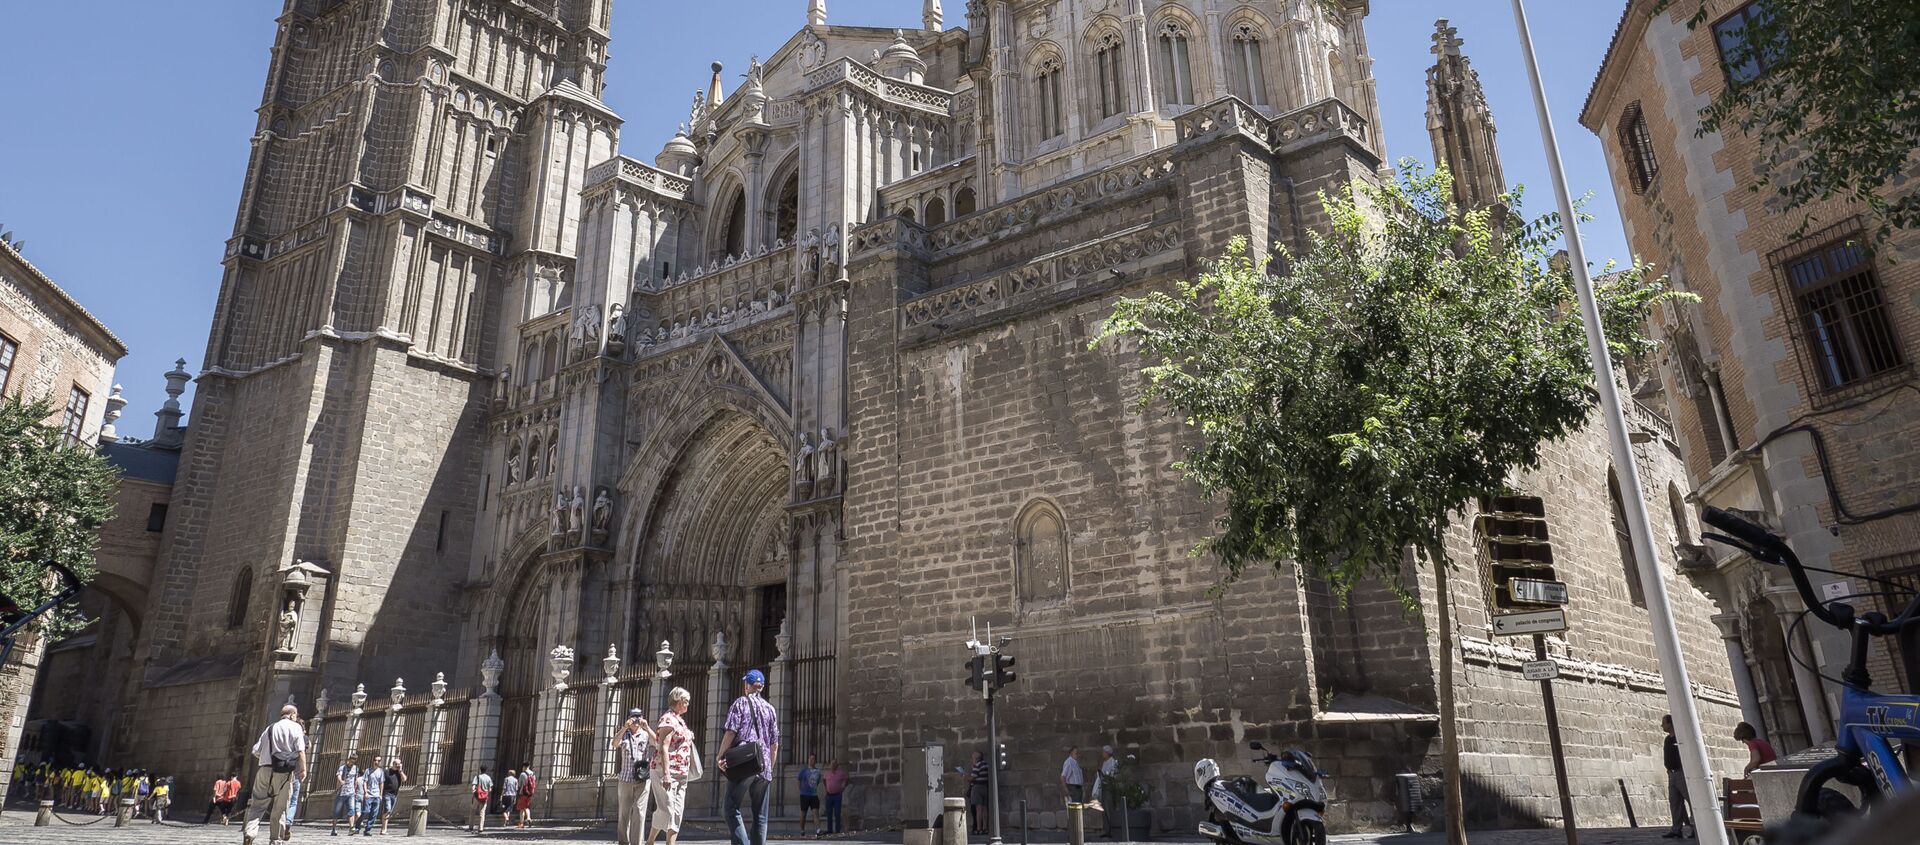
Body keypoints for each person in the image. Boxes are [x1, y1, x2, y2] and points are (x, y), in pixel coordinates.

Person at [717, 668, 780, 845]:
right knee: (761, 815)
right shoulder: (770, 709)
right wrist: (769, 769)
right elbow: (774, 744)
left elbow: (731, 732)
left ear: (747, 685)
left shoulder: (740, 703)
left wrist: (720, 756)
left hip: (744, 763)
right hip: (764, 765)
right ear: (761, 687)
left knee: (730, 808)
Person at [243, 704, 309, 845]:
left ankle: (250, 832)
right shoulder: (296, 727)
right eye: (295, 715)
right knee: (280, 808)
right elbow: (300, 751)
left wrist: (268, 756)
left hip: (264, 769)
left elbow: (256, 750)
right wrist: (303, 769)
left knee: (257, 805)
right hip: (284, 773)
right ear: (292, 715)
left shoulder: (270, 728)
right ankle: (275, 840)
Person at [646, 687, 698, 845]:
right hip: (664, 771)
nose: (688, 704)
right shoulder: (668, 719)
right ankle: (650, 841)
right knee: (667, 809)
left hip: (682, 772)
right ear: (678, 701)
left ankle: (669, 843)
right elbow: (663, 747)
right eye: (686, 701)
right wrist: (667, 774)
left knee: (677, 811)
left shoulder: (680, 720)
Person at [613, 707, 656, 845]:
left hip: (642, 779)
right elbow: (614, 744)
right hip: (625, 779)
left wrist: (647, 727)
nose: (636, 720)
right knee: (624, 813)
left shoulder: (645, 734)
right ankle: (623, 842)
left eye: (639, 717)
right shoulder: (624, 734)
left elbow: (657, 742)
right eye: (634, 717)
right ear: (629, 718)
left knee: (639, 812)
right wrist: (624, 728)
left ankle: (637, 843)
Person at [1662, 715, 1692, 839]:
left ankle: (1696, 828)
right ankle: (1676, 829)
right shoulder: (1668, 740)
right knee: (1674, 802)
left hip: (1681, 773)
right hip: (1671, 774)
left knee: (1690, 801)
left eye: (1664, 723)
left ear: (1670, 724)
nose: (1662, 725)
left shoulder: (1680, 738)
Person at [330, 758, 360, 836]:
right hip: (341, 793)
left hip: (351, 793)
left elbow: (355, 779)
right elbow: (338, 775)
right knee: (336, 812)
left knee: (351, 810)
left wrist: (355, 788)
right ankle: (333, 829)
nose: (352, 763)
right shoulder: (342, 767)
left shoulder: (356, 768)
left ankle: (351, 828)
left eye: (354, 762)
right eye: (351, 761)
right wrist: (341, 781)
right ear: (348, 760)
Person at [357, 756, 385, 837]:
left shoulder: (381, 772)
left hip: (376, 795)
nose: (377, 762)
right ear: (373, 761)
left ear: (380, 762)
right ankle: (357, 826)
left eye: (378, 760)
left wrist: (380, 794)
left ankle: (368, 830)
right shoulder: (368, 770)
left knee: (374, 814)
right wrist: (365, 792)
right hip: (369, 794)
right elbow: (365, 782)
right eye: (375, 760)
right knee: (366, 811)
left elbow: (381, 783)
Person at [798, 754, 822, 835]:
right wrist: (801, 790)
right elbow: (798, 781)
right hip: (804, 795)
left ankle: (818, 830)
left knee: (815, 812)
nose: (811, 761)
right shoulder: (803, 771)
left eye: (813, 759)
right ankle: (802, 830)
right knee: (803, 813)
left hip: (814, 795)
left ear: (815, 761)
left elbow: (817, 782)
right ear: (808, 760)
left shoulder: (818, 772)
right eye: (810, 759)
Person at [382, 757, 407, 834]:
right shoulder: (387, 772)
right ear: (393, 764)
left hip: (394, 795)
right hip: (387, 793)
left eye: (399, 764)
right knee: (387, 810)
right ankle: (384, 829)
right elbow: (382, 782)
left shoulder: (399, 773)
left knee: (389, 812)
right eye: (396, 764)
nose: (397, 765)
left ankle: (384, 827)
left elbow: (404, 779)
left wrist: (401, 771)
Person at [821, 761, 847, 834]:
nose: (832, 765)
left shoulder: (841, 773)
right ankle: (830, 830)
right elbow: (824, 780)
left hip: (837, 795)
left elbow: (846, 779)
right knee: (829, 813)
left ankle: (837, 830)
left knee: (837, 813)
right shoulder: (827, 773)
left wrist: (843, 787)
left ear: (837, 765)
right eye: (831, 764)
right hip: (829, 795)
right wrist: (826, 788)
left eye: (834, 764)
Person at [967, 751, 989, 836]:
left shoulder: (977, 765)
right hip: (985, 787)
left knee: (978, 810)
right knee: (985, 809)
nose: (972, 759)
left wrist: (964, 776)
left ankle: (979, 829)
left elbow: (972, 778)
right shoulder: (986, 765)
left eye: (973, 758)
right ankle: (985, 828)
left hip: (977, 788)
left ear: (976, 758)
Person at [469, 767, 492, 833]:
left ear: (480, 770)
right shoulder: (488, 778)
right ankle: (481, 828)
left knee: (472, 811)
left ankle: (471, 826)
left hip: (477, 797)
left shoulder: (477, 777)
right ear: (486, 770)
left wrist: (473, 791)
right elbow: (490, 789)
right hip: (484, 798)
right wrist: (486, 793)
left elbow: (473, 786)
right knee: (482, 812)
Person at [515, 763, 535, 829]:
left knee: (521, 809)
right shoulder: (533, 773)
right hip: (530, 793)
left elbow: (519, 784)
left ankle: (522, 823)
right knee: (527, 806)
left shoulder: (522, 774)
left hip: (523, 793)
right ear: (529, 766)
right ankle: (528, 817)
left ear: (524, 767)